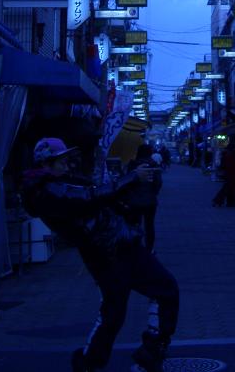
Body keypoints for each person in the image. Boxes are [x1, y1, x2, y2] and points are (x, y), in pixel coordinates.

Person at [22, 137, 179, 372]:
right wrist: (131, 178)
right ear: (45, 163)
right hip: (104, 253)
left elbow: (97, 195)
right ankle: (93, 362)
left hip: (120, 244)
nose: (67, 164)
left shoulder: (61, 182)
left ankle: (148, 350)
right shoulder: (45, 191)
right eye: (61, 160)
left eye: (66, 159)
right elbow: (90, 198)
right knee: (117, 310)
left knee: (160, 291)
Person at [126, 143, 163, 252]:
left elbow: (127, 181)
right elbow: (158, 182)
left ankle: (135, 247)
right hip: (150, 201)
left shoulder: (133, 165)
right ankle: (149, 249)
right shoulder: (153, 165)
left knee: (135, 225)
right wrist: (154, 192)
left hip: (134, 200)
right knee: (149, 226)